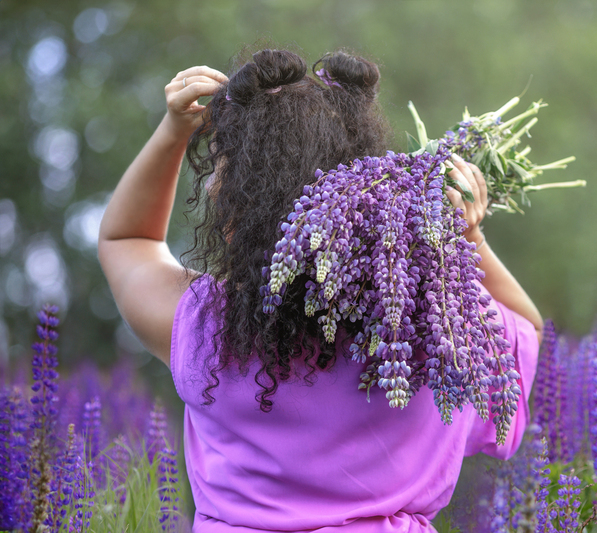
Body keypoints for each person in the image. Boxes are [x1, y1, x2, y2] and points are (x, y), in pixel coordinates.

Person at [98, 48, 544, 532]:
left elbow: (127, 240)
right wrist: (465, 236)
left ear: (247, 209)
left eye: (222, 173)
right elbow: (528, 337)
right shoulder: (437, 339)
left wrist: (173, 132)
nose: (210, 190)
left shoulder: (207, 326)